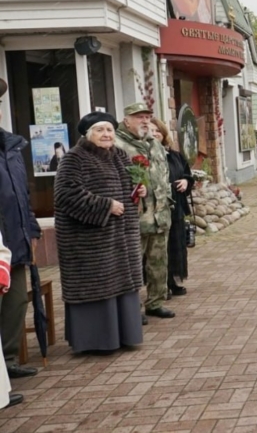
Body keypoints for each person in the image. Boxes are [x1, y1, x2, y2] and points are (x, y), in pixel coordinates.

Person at [54, 112, 144, 354]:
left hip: (120, 237)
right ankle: (96, 341)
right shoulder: (74, 158)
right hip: (89, 242)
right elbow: (66, 195)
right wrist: (106, 206)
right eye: (100, 130)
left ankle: (124, 335)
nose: (106, 134)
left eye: (110, 130)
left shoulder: (119, 156)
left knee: (121, 286)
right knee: (99, 288)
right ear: (87, 134)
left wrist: (138, 191)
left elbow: (128, 187)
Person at [115, 103, 174, 320]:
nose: (145, 120)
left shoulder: (154, 144)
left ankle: (155, 302)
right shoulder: (117, 144)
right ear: (127, 119)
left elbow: (164, 174)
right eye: (139, 117)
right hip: (134, 217)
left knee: (158, 261)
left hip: (159, 215)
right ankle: (132, 309)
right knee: (132, 264)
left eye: (148, 116)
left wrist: (167, 200)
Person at [0, 78, 41, 381]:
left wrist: (33, 229)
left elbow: (22, 194)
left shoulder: (11, 147)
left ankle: (8, 360)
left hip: (15, 241)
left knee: (15, 303)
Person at [149, 118, 194, 297]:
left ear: (163, 134)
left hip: (176, 208)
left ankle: (173, 281)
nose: (154, 134)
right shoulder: (146, 155)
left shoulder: (175, 155)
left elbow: (187, 175)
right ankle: (160, 286)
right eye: (150, 131)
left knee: (176, 245)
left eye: (157, 131)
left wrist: (185, 181)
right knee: (160, 249)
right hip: (156, 210)